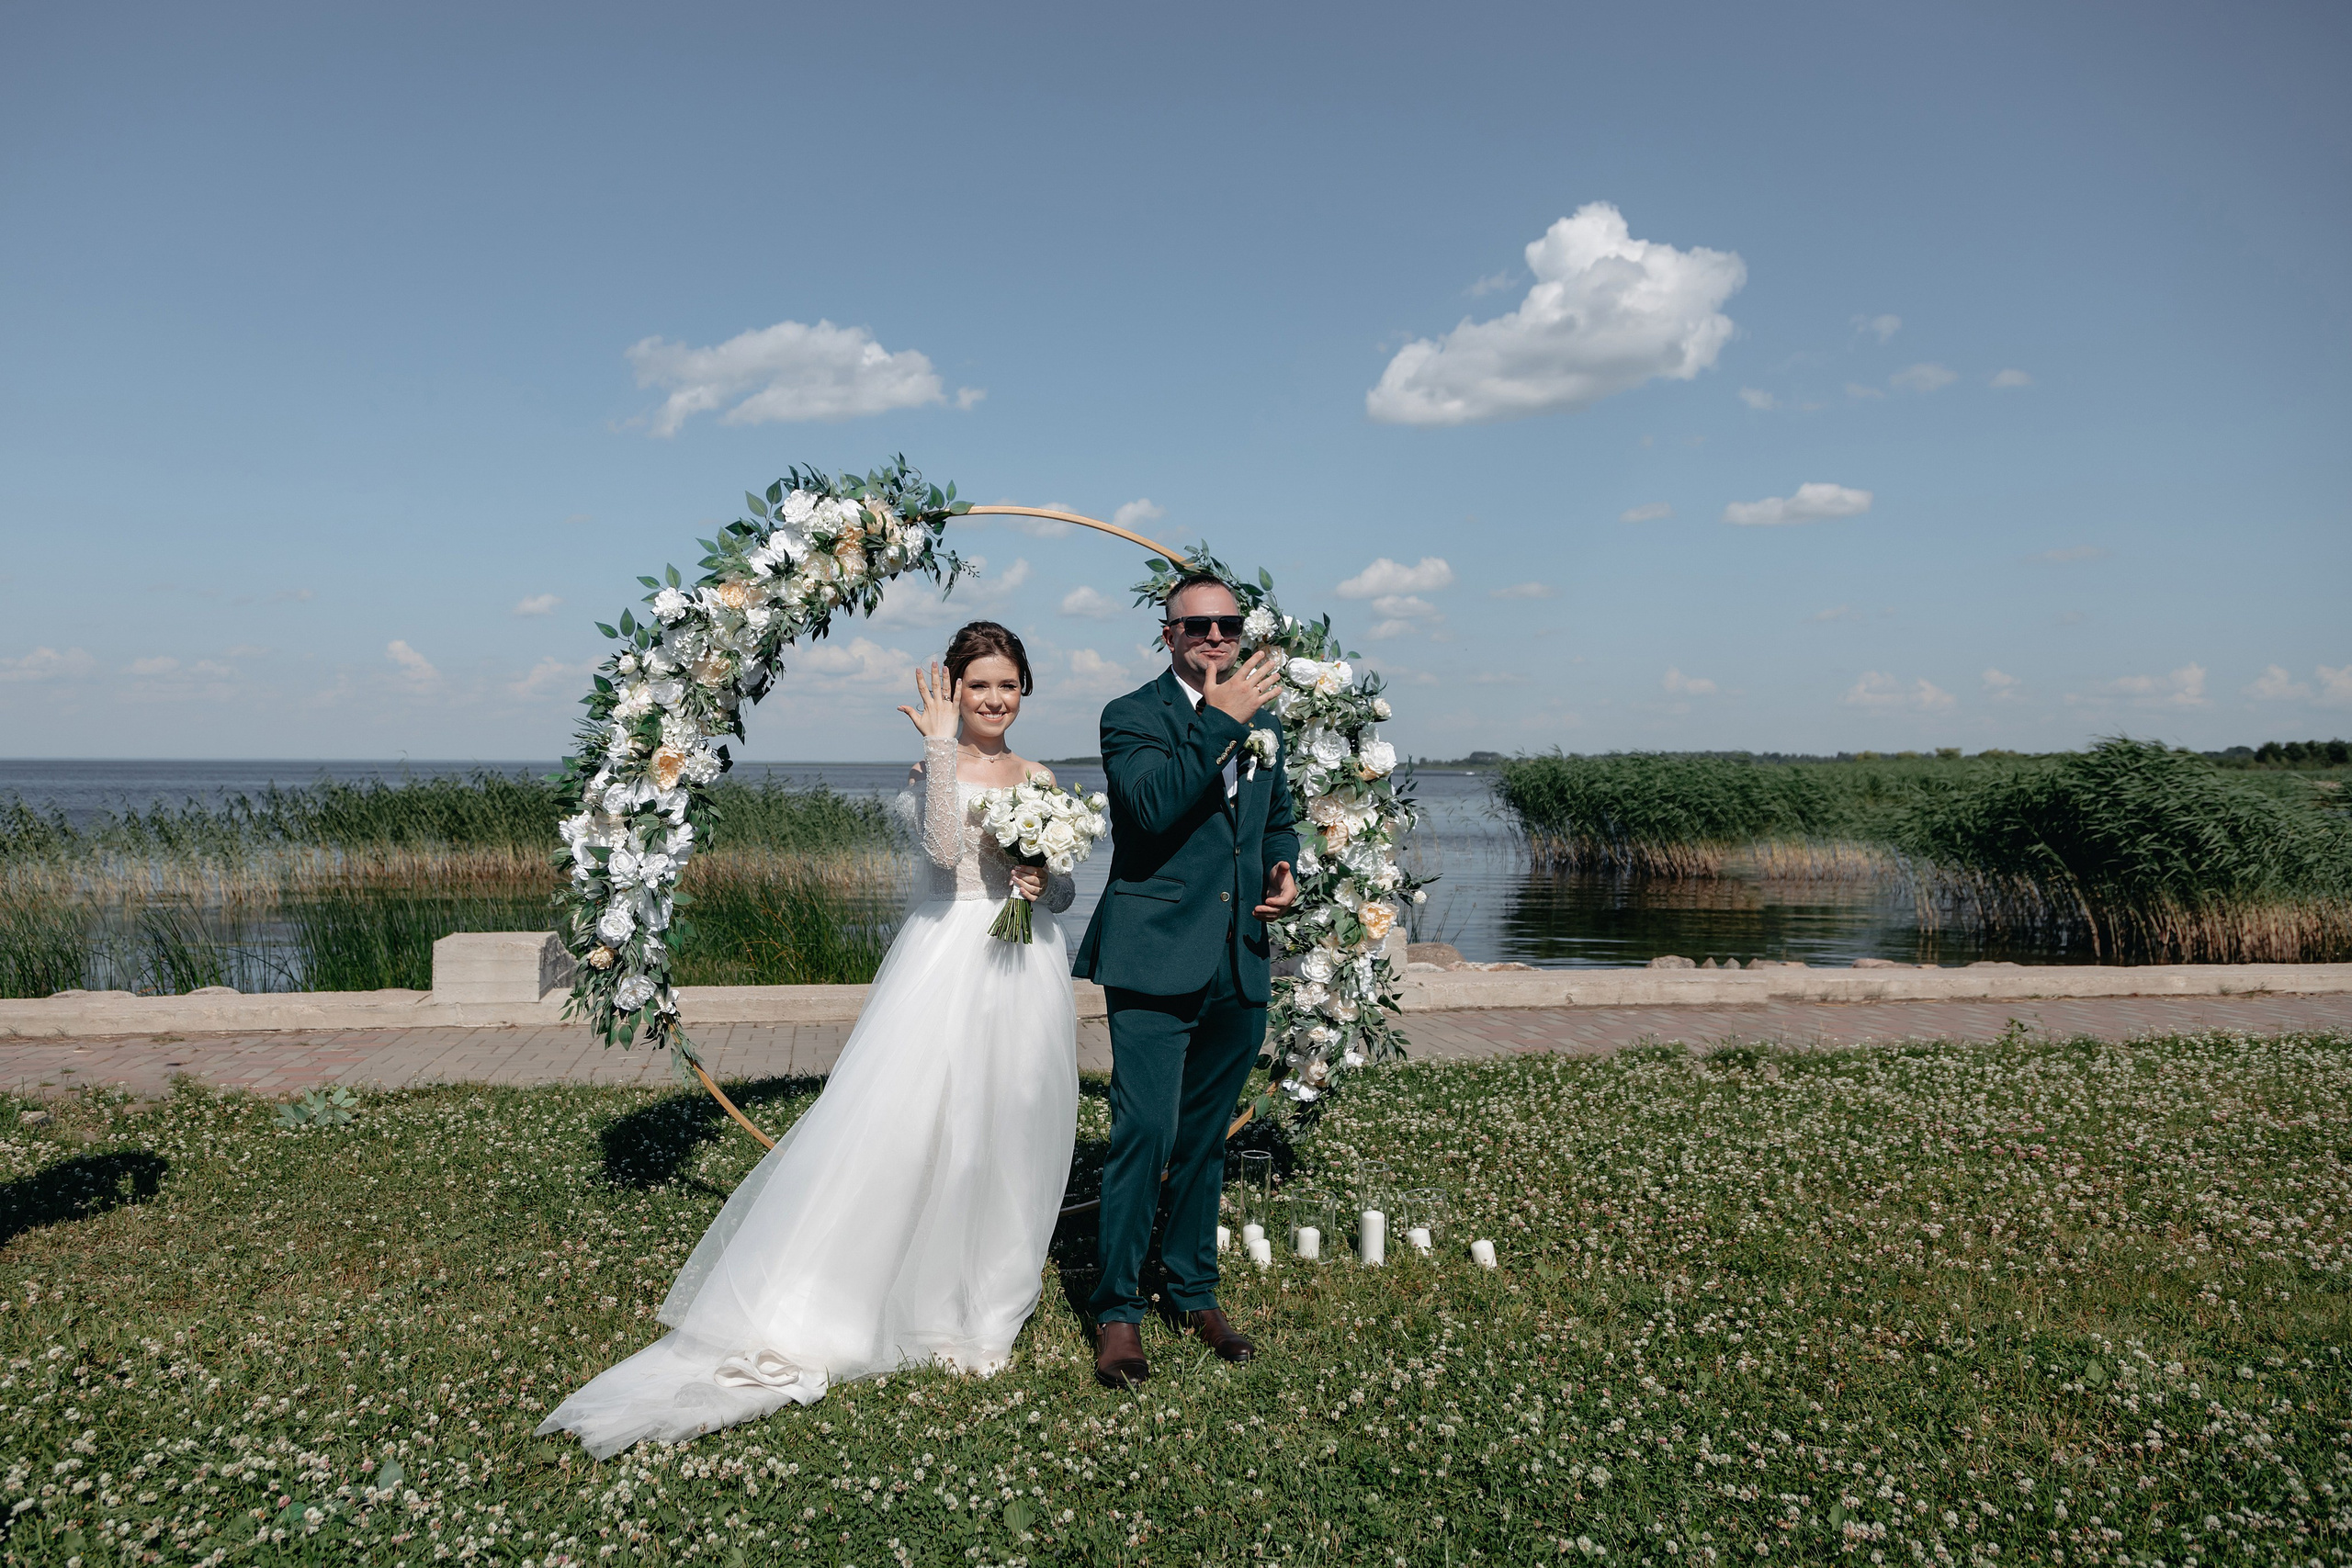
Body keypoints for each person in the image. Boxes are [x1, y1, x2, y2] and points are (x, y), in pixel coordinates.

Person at [537, 621, 1080, 1459]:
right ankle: (905, 1297)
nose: (995, 699)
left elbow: (1066, 891)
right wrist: (941, 749)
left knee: (1011, 1128)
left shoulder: (1040, 776)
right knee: (917, 1128)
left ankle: (988, 1308)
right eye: (979, 685)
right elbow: (941, 850)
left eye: (1008, 683)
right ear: (954, 691)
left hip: (1026, 965)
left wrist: (1047, 878)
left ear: (1025, 688)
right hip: (946, 962)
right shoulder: (932, 763)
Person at [1071, 573, 1299, 1386]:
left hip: (1239, 954)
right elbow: (1151, 808)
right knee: (1145, 1134)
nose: (1213, 636)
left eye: (1227, 623)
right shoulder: (1131, 716)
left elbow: (1278, 816)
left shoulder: (1267, 716)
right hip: (1154, 952)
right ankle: (1119, 1309)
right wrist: (1219, 719)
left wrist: (1285, 867)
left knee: (1205, 1140)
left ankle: (1194, 1288)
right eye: (1195, 625)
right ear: (1166, 636)